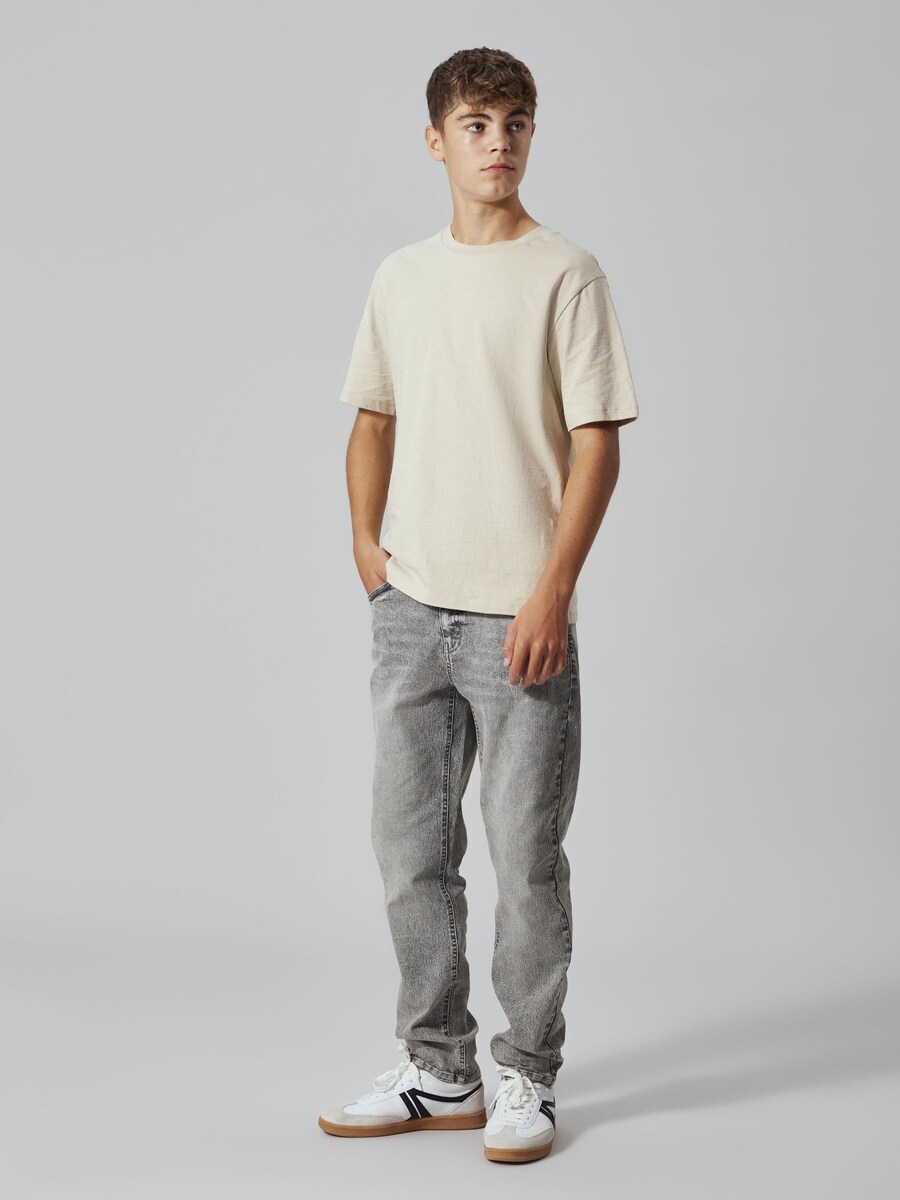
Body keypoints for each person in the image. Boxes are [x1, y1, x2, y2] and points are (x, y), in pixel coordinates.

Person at [318, 46, 639, 1164]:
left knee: (525, 857)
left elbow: (596, 446)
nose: (497, 142)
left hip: (519, 618)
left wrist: (553, 589)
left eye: (515, 123)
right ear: (436, 140)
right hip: (410, 609)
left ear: (531, 136)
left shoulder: (567, 274)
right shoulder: (401, 276)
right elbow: (372, 419)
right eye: (475, 123)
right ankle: (438, 1067)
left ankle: (528, 1076)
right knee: (410, 851)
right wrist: (367, 550)